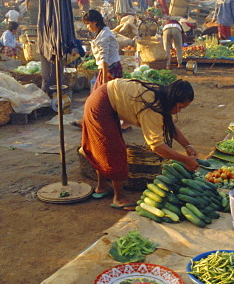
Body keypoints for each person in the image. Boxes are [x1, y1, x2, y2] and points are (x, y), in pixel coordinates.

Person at [81, 78, 198, 210]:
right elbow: (157, 146)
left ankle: (102, 187)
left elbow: (169, 126)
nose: (179, 111)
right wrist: (185, 159)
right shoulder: (152, 107)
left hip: (106, 97)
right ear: (173, 100)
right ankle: (118, 198)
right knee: (113, 150)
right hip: (100, 104)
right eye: (180, 107)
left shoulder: (163, 95)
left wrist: (188, 146)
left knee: (105, 147)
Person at [82, 10, 121, 88]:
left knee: (106, 94)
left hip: (109, 70)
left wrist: (104, 80)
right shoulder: (103, 31)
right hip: (109, 68)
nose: (87, 27)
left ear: (94, 22)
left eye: (88, 23)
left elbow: (104, 59)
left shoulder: (104, 36)